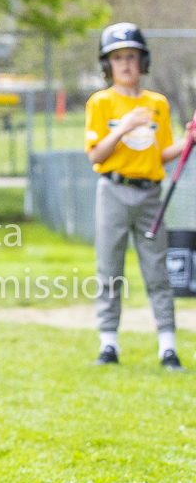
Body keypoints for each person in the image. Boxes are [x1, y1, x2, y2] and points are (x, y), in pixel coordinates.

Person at [85, 22, 191, 370]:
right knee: (109, 268)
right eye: (117, 58)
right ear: (108, 65)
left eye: (132, 56)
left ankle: (167, 346)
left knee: (157, 269)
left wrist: (189, 140)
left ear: (142, 61)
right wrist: (125, 126)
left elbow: (158, 155)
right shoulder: (101, 103)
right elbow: (96, 155)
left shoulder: (157, 104)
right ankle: (108, 343)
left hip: (149, 195)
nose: (126, 64)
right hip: (113, 191)